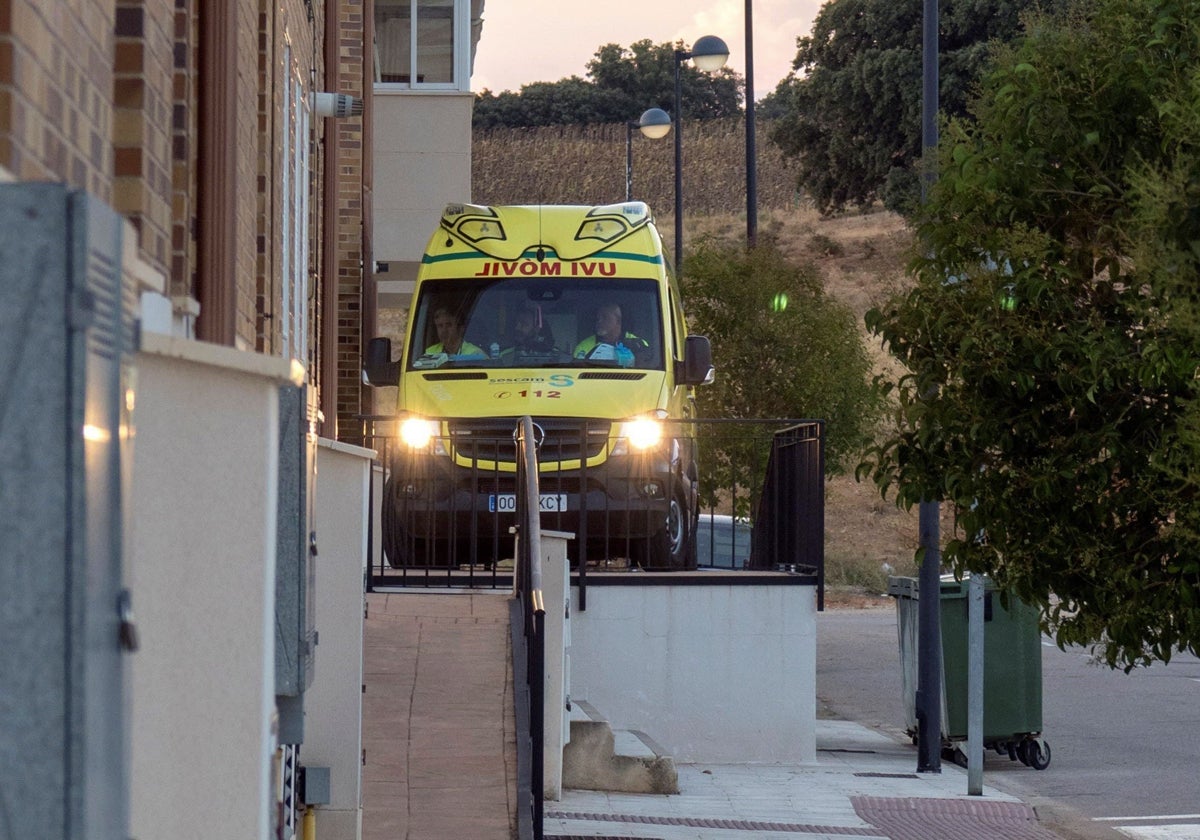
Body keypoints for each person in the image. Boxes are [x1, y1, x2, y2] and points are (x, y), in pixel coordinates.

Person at [573, 302, 647, 364]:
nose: (599, 321)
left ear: (618, 321)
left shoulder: (639, 344)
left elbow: (647, 367)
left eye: (605, 317)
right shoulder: (584, 347)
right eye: (598, 318)